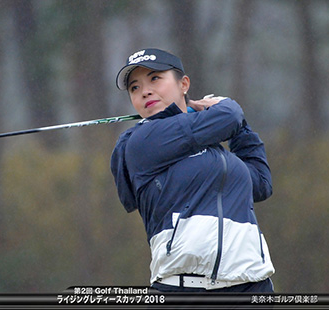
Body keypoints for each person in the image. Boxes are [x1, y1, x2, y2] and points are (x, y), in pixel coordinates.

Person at [110, 48, 275, 293]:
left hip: (251, 287)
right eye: (135, 88)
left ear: (183, 84)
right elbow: (229, 115)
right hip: (184, 290)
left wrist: (242, 129)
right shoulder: (142, 140)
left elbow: (260, 183)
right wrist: (226, 107)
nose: (145, 91)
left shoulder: (214, 150)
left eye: (155, 78)